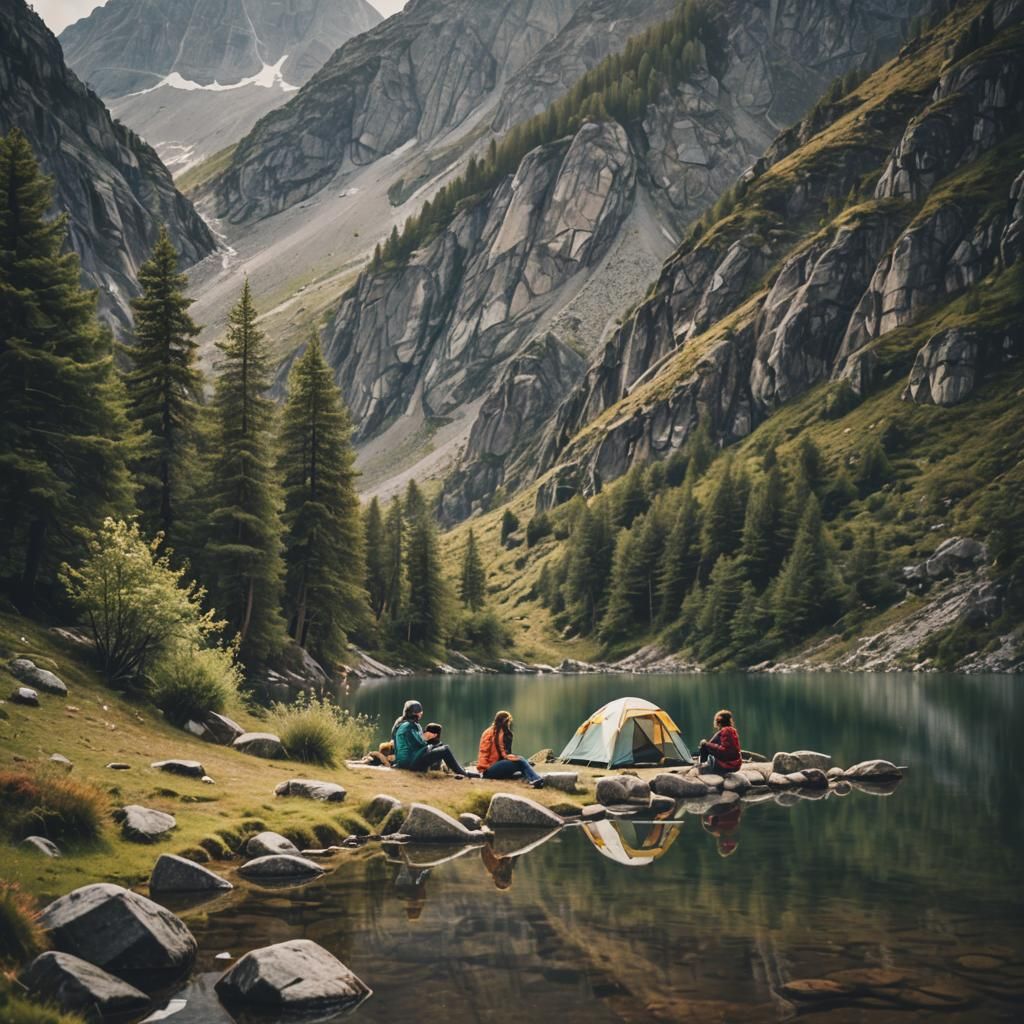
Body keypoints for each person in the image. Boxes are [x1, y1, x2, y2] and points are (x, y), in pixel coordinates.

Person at [392, 699, 467, 776]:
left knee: (439, 748)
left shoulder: (401, 724)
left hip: (404, 762)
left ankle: (458, 770)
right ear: (415, 713)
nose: (421, 714)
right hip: (410, 763)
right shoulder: (410, 726)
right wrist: (431, 745)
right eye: (420, 712)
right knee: (445, 749)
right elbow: (419, 744)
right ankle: (463, 773)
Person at [477, 710, 545, 788]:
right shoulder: (489, 733)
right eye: (509, 721)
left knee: (522, 762)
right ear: (505, 721)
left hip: (498, 764)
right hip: (489, 770)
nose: (509, 723)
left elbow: (505, 753)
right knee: (521, 761)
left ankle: (533, 780)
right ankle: (536, 779)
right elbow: (483, 751)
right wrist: (483, 769)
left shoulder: (502, 732)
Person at [698, 708, 742, 774]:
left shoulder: (725, 731)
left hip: (727, 765)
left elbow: (724, 750)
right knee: (706, 744)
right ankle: (704, 766)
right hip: (736, 765)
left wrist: (706, 744)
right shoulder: (733, 730)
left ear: (718, 722)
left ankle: (703, 770)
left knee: (703, 745)